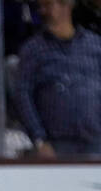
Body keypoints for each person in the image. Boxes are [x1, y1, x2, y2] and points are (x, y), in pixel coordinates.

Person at [14, 0, 101, 158]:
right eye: (41, 5)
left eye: (48, 4)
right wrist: (39, 139)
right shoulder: (33, 49)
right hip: (56, 143)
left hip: (95, 140)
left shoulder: (95, 45)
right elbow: (22, 94)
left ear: (66, 5)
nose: (42, 10)